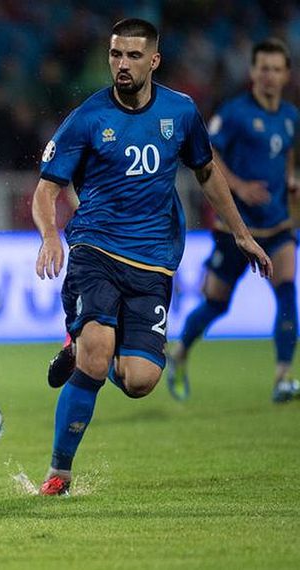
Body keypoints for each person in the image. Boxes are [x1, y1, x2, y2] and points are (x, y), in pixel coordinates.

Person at [32, 19, 272, 496]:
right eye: (116, 55)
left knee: (140, 380)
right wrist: (51, 235)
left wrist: (241, 233)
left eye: (133, 56)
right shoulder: (87, 117)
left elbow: (207, 173)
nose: (122, 64)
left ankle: (77, 349)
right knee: (98, 357)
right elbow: (45, 190)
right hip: (95, 249)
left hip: (154, 261)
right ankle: (59, 473)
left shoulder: (181, 113)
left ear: (154, 60)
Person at [166, 39, 300, 403]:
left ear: (286, 74)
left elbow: (285, 154)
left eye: (276, 69)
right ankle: (179, 354)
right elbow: (207, 153)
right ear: (253, 72)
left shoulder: (290, 116)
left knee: (288, 293)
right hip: (235, 228)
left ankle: (282, 377)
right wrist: (238, 185)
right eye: (263, 68)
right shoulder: (235, 113)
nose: (269, 76)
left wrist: (291, 180)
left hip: (276, 225)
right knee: (216, 303)